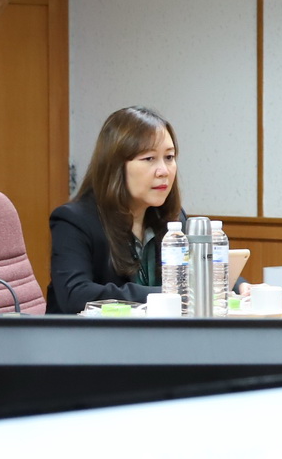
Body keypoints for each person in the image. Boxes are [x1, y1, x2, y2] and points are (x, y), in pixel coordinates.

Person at [48, 106, 186, 314]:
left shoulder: (172, 218)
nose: (164, 171)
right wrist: (164, 295)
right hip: (87, 333)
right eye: (149, 158)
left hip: (155, 331)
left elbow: (197, 276)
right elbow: (76, 295)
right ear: (116, 166)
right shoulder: (74, 220)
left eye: (169, 157)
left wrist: (234, 285)